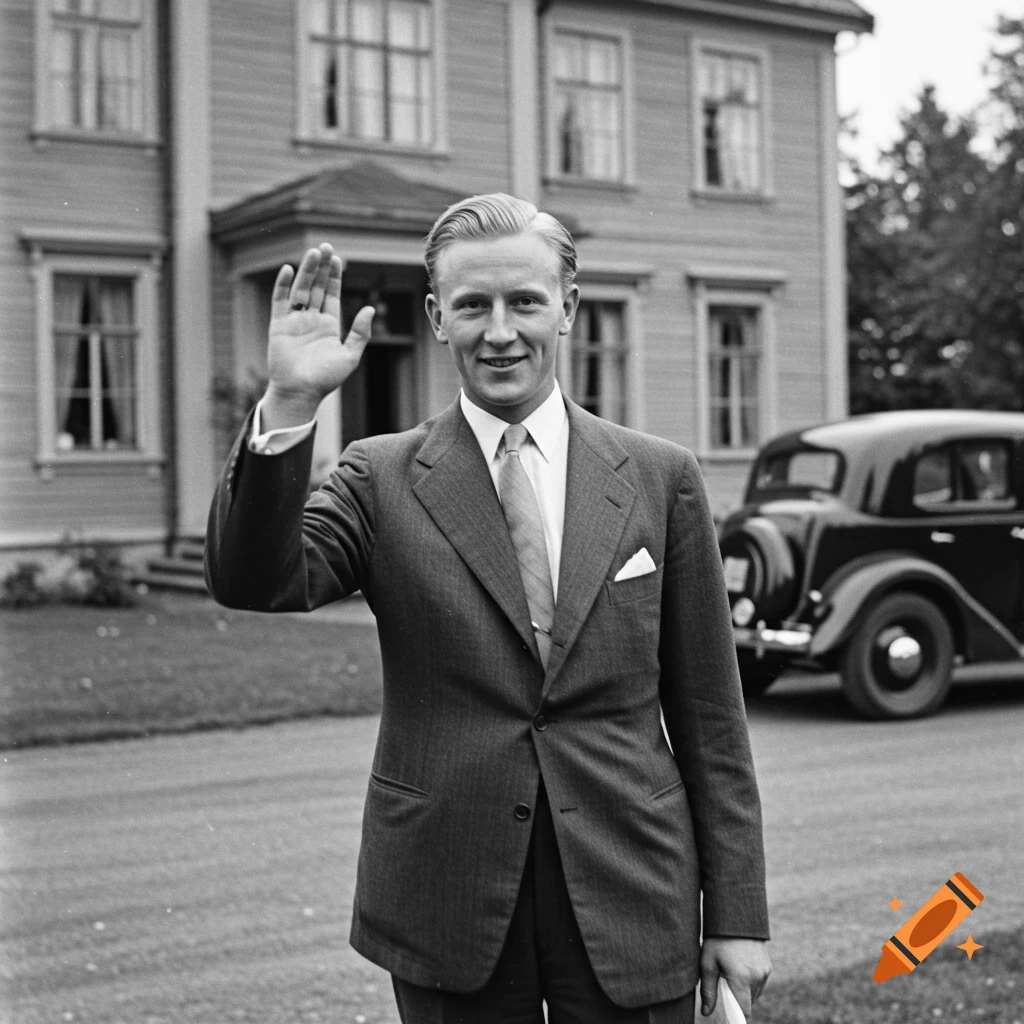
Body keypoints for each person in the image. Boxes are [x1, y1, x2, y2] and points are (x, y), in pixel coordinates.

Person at [206, 193, 771, 1024]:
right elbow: (256, 579)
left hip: (630, 886)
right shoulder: (378, 478)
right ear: (437, 317)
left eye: (524, 302)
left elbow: (712, 720)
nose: (498, 330)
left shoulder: (661, 477)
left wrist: (735, 913)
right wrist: (290, 406)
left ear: (567, 309)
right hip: (446, 893)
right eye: (472, 304)